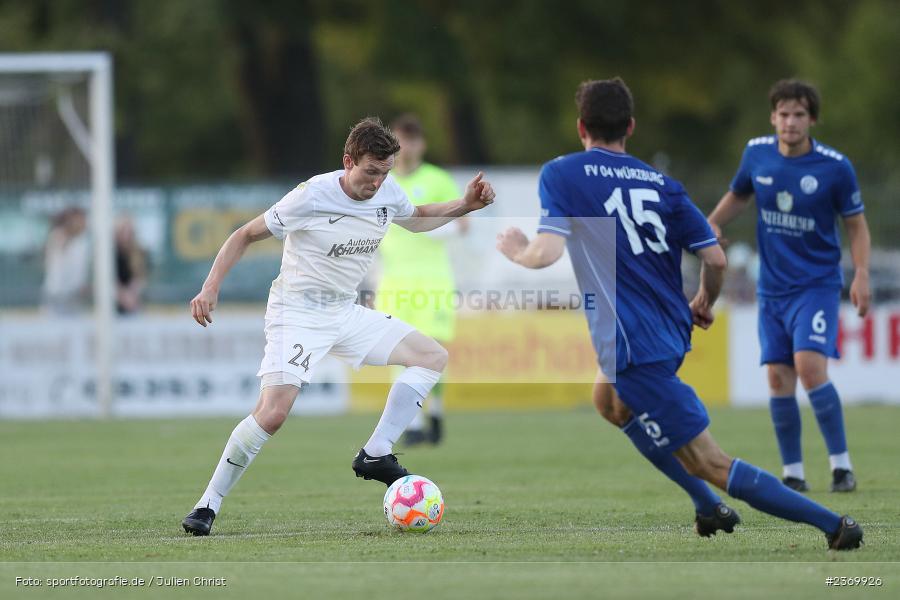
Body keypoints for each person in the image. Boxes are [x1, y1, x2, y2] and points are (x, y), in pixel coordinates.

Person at [496, 77, 862, 550]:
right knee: (609, 402)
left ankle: (834, 526)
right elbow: (715, 258)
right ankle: (706, 507)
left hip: (634, 345)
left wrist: (517, 250)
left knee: (710, 462)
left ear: (581, 126)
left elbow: (546, 253)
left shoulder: (563, 173)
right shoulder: (662, 184)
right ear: (630, 126)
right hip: (669, 330)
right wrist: (705, 300)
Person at [181, 117, 495, 536]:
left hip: (345, 312)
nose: (377, 183)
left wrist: (465, 204)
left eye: (384, 173)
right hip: (297, 313)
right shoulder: (312, 196)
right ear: (348, 161)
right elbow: (244, 235)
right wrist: (210, 287)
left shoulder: (387, 191)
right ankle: (208, 504)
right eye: (369, 172)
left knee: (431, 356)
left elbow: (417, 217)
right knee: (273, 414)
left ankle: (376, 451)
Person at [707, 79, 870, 493]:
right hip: (772, 290)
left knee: (810, 368)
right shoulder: (756, 153)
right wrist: (710, 224)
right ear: (773, 117)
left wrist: (862, 274)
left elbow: (856, 226)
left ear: (811, 119)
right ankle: (793, 474)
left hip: (815, 285)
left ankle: (841, 467)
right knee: (778, 379)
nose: (790, 122)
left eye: (799, 114)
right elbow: (739, 194)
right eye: (783, 114)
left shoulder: (835, 166)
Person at [374, 114, 467, 446]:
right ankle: (410, 425)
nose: (407, 147)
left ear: (422, 144)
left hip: (433, 280)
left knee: (433, 350)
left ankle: (436, 412)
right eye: (401, 140)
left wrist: (439, 227)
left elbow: (462, 224)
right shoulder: (380, 181)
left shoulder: (438, 179)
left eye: (413, 140)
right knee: (398, 352)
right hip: (395, 281)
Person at [42, 207, 90, 315]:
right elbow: (56, 269)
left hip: (75, 297)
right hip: (56, 296)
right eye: (81, 220)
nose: (84, 223)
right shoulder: (57, 236)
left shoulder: (82, 242)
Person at [115, 215, 149, 314]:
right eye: (123, 232)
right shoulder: (110, 255)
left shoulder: (140, 253)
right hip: (113, 306)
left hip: (134, 305)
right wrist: (122, 296)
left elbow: (140, 278)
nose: (126, 236)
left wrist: (131, 296)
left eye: (129, 232)